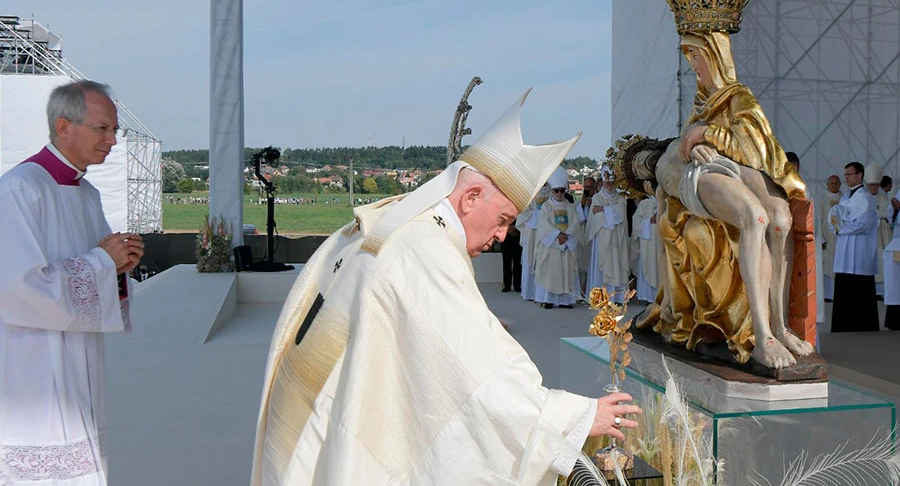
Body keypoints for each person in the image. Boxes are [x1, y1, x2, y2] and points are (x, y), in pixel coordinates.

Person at [251, 90, 641, 486]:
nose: (503, 235)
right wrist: (576, 416)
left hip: (301, 423)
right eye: (503, 219)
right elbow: (484, 381)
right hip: (321, 419)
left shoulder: (400, 220)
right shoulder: (425, 252)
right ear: (471, 197)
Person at [637, 0, 815, 369]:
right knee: (758, 218)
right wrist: (696, 142)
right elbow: (686, 148)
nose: (693, 64)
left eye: (696, 55)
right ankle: (765, 337)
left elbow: (757, 148)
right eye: (688, 56)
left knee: (781, 221)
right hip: (702, 174)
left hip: (728, 166)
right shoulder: (699, 107)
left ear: (716, 54)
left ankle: (781, 326)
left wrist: (706, 137)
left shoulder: (738, 97)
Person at [0, 80, 145, 484]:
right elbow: (16, 287)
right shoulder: (18, 190)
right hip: (32, 361)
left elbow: (99, 267)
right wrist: (103, 261)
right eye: (102, 129)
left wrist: (120, 264)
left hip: (78, 352)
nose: (112, 140)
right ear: (64, 127)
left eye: (114, 130)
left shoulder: (87, 194)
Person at [830, 162, 880, 331]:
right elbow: (836, 215)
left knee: (859, 284)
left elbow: (864, 223)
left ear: (859, 175)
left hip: (860, 248)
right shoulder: (846, 197)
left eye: (849, 175)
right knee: (845, 283)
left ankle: (862, 325)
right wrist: (837, 224)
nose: (846, 178)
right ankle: (843, 325)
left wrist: (842, 227)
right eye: (845, 175)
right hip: (845, 246)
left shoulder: (866, 198)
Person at [534, 167, 582, 309]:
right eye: (556, 190)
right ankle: (549, 300)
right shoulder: (546, 207)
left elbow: (575, 223)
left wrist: (566, 236)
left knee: (566, 273)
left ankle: (566, 301)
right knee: (551, 273)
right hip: (552, 245)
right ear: (552, 191)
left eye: (562, 190)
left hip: (567, 244)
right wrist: (557, 235)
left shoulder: (570, 206)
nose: (559, 193)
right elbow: (543, 225)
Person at [585, 167, 630, 304]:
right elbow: (596, 218)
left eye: (611, 182)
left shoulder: (621, 199)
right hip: (602, 240)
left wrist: (604, 210)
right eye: (607, 183)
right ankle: (600, 298)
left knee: (618, 264)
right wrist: (609, 213)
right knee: (602, 268)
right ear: (603, 183)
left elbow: (621, 215)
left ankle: (617, 298)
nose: (609, 185)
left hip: (617, 240)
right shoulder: (597, 198)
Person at [516, 184, 550, 301]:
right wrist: (540, 215)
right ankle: (529, 292)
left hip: (546, 233)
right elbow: (523, 212)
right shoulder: (531, 191)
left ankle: (541, 293)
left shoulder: (553, 190)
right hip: (532, 232)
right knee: (530, 260)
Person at [865, 163, 891, 298]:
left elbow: (886, 212)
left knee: (880, 261)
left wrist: (873, 213)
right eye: (871, 186)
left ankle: (880, 291)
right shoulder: (862, 195)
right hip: (866, 235)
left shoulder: (883, 196)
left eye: (876, 185)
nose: (874, 188)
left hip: (880, 235)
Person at [631, 180, 659, 303]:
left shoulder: (665, 202)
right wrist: (649, 221)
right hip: (647, 242)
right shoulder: (645, 204)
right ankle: (647, 297)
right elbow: (636, 220)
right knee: (647, 264)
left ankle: (660, 296)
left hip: (660, 242)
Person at [819, 175, 843, 301]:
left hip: (841, 239)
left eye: (836, 183)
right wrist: (822, 239)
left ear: (840, 184)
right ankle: (828, 294)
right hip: (827, 238)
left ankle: (839, 293)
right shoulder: (822, 199)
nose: (834, 185)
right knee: (827, 267)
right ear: (827, 185)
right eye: (831, 183)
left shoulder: (844, 198)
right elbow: (819, 219)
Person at [576, 175, 597, 292]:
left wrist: (591, 205)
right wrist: (582, 206)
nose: (588, 189)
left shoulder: (598, 200)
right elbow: (577, 219)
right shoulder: (579, 203)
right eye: (586, 187)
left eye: (590, 187)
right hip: (582, 236)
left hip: (593, 237)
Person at [883, 189, 900, 329]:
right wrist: (894, 208)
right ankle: (894, 320)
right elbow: (890, 214)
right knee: (896, 281)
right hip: (897, 241)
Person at [500, 221, 522, 293]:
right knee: (506, 263)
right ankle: (507, 285)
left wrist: (516, 228)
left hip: (517, 237)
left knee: (518, 263)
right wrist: (507, 228)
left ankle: (517, 285)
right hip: (506, 238)